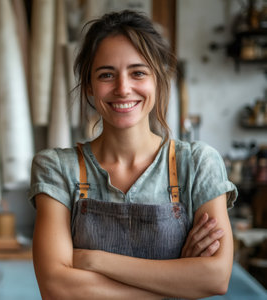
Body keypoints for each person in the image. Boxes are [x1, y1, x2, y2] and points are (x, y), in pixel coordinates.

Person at [28, 10, 237, 300]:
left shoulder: (198, 164)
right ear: (89, 85)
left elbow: (215, 277)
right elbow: (56, 288)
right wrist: (178, 283)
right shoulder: (56, 168)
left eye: (138, 72)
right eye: (106, 75)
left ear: (158, 79)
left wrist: (93, 260)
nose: (123, 89)